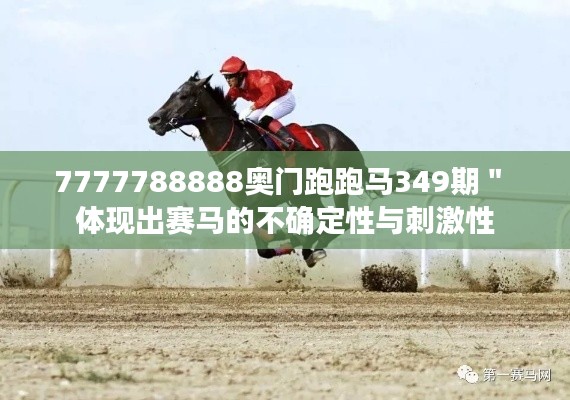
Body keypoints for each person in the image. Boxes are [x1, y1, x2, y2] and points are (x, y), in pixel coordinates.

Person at [220, 56, 302, 151]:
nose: (227, 80)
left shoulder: (258, 78)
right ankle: (265, 144)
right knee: (247, 119)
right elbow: (225, 103)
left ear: (240, 75)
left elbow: (270, 93)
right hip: (267, 103)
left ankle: (290, 141)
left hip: (284, 98)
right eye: (226, 77)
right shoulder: (235, 89)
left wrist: (253, 107)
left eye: (230, 76)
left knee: (265, 118)